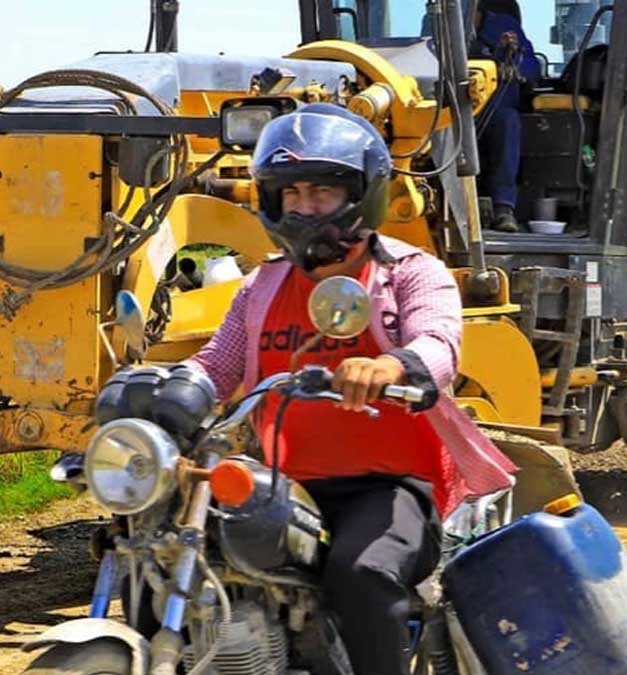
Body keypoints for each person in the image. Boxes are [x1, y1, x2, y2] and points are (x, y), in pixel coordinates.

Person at [183, 104, 517, 675]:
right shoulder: (261, 286)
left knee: (361, 573)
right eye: (291, 193)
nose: (304, 207)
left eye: (323, 193)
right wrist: (164, 388)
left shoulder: (411, 271)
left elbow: (440, 342)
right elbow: (219, 361)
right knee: (176, 554)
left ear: (361, 198)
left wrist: (393, 368)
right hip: (284, 487)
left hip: (390, 488)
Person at [473, 0, 540, 232]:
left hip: (495, 113)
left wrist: (510, 58)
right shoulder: (436, 28)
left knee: (508, 122)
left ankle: (504, 209)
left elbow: (532, 68)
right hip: (448, 113)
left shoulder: (505, 26)